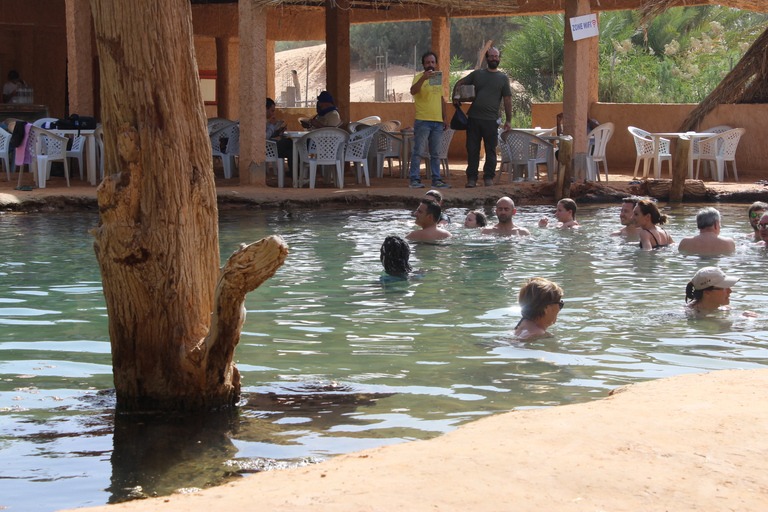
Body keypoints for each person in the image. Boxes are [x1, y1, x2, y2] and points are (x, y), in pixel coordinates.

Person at [451, 47, 513, 188]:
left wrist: (508, 120)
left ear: (499, 59)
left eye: (496, 56)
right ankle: (471, 179)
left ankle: (488, 178)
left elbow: (507, 99)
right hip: (473, 118)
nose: (494, 58)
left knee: (490, 150)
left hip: (491, 120)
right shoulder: (477, 74)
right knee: (472, 149)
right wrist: (455, 96)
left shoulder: (503, 78)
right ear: (486, 59)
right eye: (491, 56)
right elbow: (460, 83)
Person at [409, 51, 450, 189]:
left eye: (433, 62)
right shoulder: (418, 78)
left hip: (437, 121)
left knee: (436, 153)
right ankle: (414, 179)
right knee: (418, 151)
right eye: (428, 62)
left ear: (436, 64)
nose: (430, 65)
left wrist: (444, 118)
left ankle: (436, 180)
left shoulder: (437, 79)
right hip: (423, 121)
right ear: (423, 64)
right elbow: (413, 91)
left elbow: (441, 99)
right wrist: (423, 79)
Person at [266, 97, 292, 171]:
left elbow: (268, 134)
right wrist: (272, 125)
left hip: (269, 146)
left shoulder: (262, 120)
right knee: (289, 142)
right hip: (266, 148)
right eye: (272, 111)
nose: (273, 113)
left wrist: (277, 132)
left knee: (291, 152)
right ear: (265, 109)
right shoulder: (258, 121)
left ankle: (294, 174)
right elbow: (265, 137)